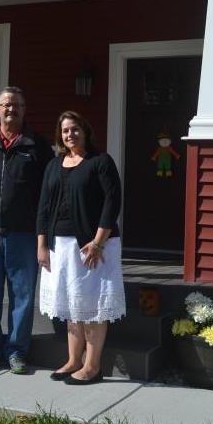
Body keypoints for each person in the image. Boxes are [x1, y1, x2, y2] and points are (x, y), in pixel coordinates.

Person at [37, 110, 126, 385]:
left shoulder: (100, 162)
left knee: (91, 305)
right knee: (70, 304)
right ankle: (74, 360)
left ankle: (92, 365)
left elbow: (113, 201)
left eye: (75, 129)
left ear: (85, 131)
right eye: (65, 130)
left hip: (92, 245)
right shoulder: (53, 165)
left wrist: (98, 242)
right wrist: (41, 244)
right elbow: (43, 206)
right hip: (58, 246)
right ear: (59, 135)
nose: (70, 134)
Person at [0, 86, 54, 374]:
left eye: (16, 105)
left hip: (23, 235)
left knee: (22, 296)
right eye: (6, 104)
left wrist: (44, 235)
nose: (11, 109)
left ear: (23, 110)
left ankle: (17, 351)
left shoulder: (37, 147)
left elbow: (48, 194)